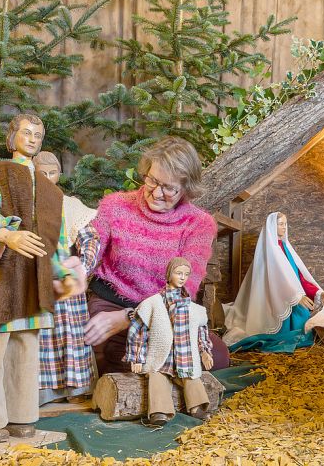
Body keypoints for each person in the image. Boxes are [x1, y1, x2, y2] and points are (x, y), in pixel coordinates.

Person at [0, 114, 86, 443]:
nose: (33, 138)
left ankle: (21, 415)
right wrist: (8, 236)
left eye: (38, 134)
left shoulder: (50, 191)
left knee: (25, 347)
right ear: (12, 137)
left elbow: (55, 241)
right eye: (26, 132)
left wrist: (64, 273)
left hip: (32, 277)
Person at [83, 137, 226, 374]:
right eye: (153, 181)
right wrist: (77, 269)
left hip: (166, 313)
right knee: (124, 354)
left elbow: (184, 290)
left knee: (217, 356)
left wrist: (130, 318)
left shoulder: (198, 224)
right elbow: (91, 246)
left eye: (169, 188)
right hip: (110, 306)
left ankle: (135, 358)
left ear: (186, 188)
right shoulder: (115, 206)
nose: (157, 193)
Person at [32, 151, 100, 406]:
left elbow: (90, 237)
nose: (48, 178)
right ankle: (39, 392)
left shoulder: (69, 205)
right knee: (40, 335)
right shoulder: (28, 202)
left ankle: (75, 387)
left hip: (66, 279)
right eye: (42, 173)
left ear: (59, 174)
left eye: (52, 172)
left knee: (71, 334)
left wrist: (82, 265)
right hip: (37, 277)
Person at [124, 257, 213, 426]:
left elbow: (201, 331)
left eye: (186, 274)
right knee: (157, 377)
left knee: (191, 376)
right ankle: (159, 411)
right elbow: (138, 330)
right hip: (162, 356)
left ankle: (197, 407)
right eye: (178, 273)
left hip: (184, 354)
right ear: (169, 274)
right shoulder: (153, 303)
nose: (182, 277)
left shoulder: (193, 308)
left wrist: (204, 351)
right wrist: (136, 357)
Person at [222, 212, 324, 352]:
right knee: (299, 320)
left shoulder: (285, 248)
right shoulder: (268, 252)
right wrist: (296, 297)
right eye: (281, 224)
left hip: (292, 296)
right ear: (272, 226)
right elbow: (277, 282)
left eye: (285, 224)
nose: (284, 228)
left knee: (306, 319)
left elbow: (299, 275)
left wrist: (318, 292)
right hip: (274, 300)